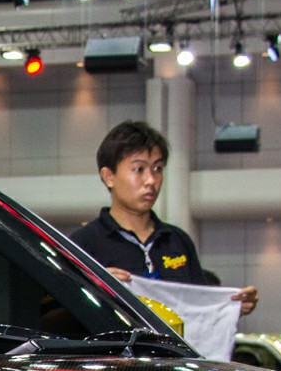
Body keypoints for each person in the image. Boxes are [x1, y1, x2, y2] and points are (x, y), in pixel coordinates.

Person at [68, 121, 258, 314]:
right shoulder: (82, 244)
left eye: (158, 169)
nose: (151, 180)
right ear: (109, 176)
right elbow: (57, 317)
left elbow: (199, 308)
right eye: (139, 169)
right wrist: (91, 289)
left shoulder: (177, 241)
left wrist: (232, 306)